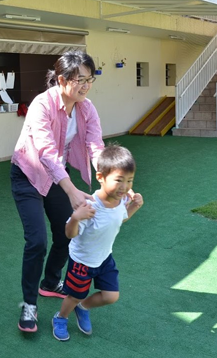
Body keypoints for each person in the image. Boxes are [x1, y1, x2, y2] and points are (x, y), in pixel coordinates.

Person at [11, 50, 105, 333]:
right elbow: (46, 151)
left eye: (90, 79)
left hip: (55, 177)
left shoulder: (86, 108)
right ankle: (29, 305)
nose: (85, 86)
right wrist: (71, 189)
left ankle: (50, 282)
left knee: (67, 231)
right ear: (62, 80)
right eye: (80, 80)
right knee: (37, 241)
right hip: (27, 175)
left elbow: (95, 145)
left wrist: (111, 180)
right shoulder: (43, 104)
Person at [52, 144, 143, 341]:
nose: (125, 187)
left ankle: (83, 307)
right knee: (74, 295)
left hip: (104, 259)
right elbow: (69, 233)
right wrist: (76, 217)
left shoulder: (120, 202)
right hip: (82, 262)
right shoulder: (90, 208)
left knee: (111, 296)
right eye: (119, 180)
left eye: (129, 181)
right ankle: (61, 317)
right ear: (100, 177)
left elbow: (119, 218)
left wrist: (134, 207)